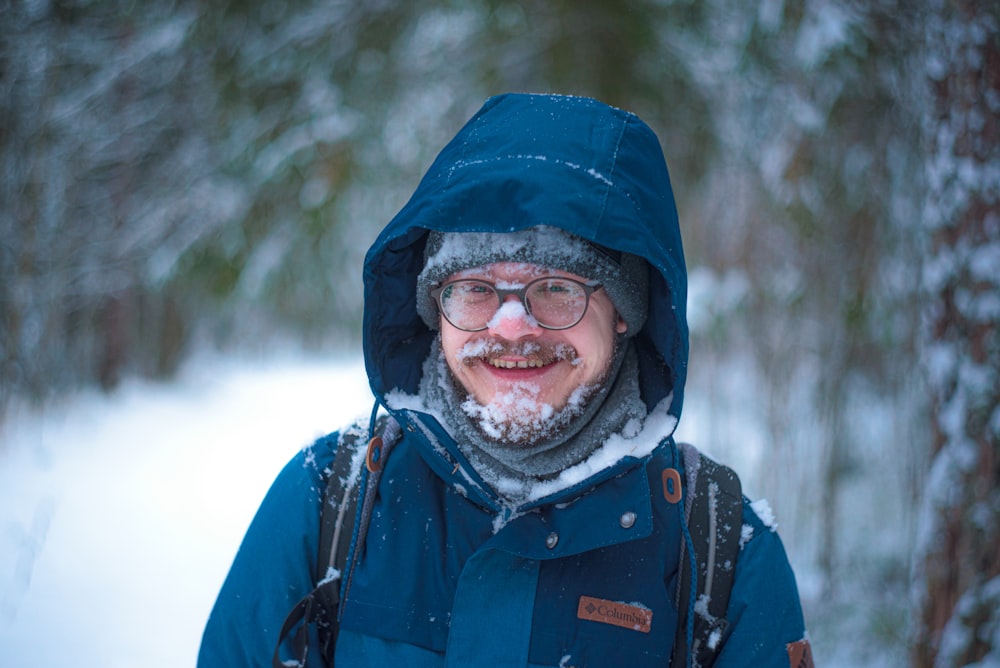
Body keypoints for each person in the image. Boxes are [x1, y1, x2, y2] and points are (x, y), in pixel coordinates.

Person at [198, 93, 811, 667]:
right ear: (434, 310)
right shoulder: (327, 501)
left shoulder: (720, 551)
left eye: (557, 288)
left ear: (624, 311)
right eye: (473, 290)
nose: (512, 328)